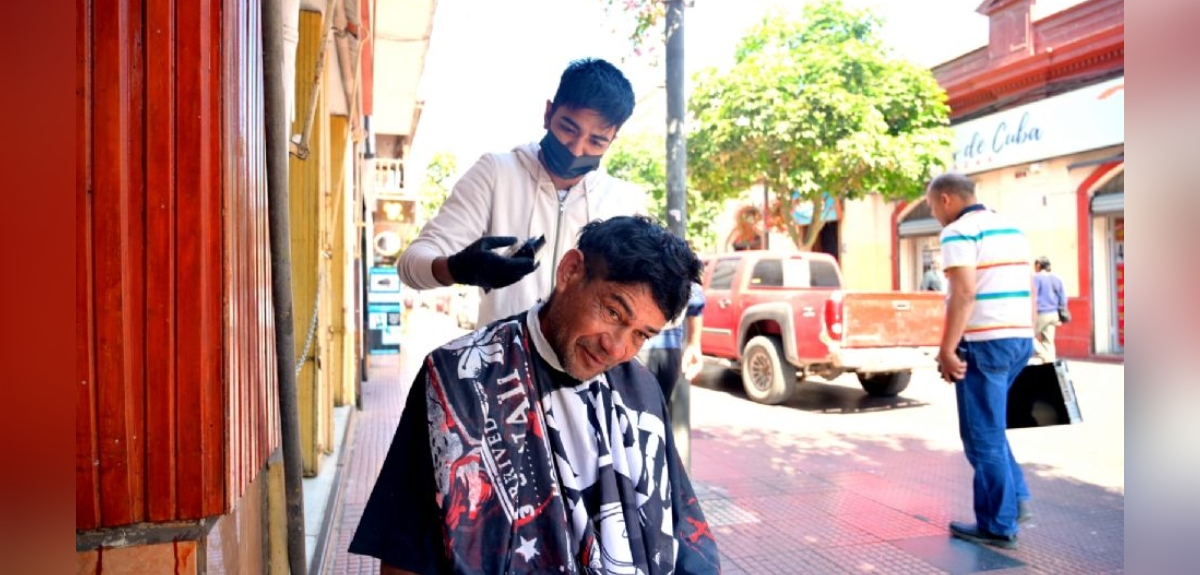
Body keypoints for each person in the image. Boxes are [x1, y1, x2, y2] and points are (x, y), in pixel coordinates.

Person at [350, 216, 722, 575]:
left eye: (641, 335)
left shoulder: (640, 388)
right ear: (570, 271)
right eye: (612, 312)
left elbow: (681, 528)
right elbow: (407, 556)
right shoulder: (458, 380)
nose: (616, 347)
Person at [397, 57, 645, 328]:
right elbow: (410, 266)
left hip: (585, 356)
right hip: (502, 354)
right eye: (568, 128)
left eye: (596, 141)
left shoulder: (624, 202)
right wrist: (456, 269)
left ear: (612, 141)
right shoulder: (495, 173)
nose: (576, 149)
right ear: (548, 114)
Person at [926, 172, 1035, 550]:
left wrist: (947, 349)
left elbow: (964, 293)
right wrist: (1030, 334)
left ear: (945, 199)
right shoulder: (1012, 230)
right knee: (992, 427)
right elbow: (1029, 287)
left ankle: (998, 525)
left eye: (931, 206)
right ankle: (1016, 499)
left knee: (980, 437)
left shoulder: (958, 232)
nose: (934, 214)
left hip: (984, 342)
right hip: (1018, 338)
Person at [638, 281, 706, 400]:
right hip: (670, 348)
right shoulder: (685, 271)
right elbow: (695, 301)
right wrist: (694, 344)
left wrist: (694, 345)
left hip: (641, 343)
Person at [1032, 256, 1067, 363]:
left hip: (1042, 313)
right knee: (1048, 341)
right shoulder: (1057, 278)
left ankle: (1044, 355)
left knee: (1027, 336)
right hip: (1054, 314)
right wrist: (1061, 314)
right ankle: (1050, 363)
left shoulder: (1036, 278)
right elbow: (1063, 298)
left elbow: (1033, 296)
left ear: (1038, 265)